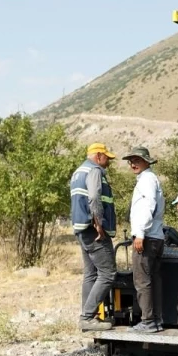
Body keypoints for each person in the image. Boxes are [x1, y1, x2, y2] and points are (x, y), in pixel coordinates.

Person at [70, 142, 117, 332]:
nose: (109, 162)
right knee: (108, 273)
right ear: (98, 156)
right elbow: (94, 197)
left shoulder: (77, 172)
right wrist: (98, 223)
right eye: (107, 157)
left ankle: (87, 316)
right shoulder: (94, 171)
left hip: (81, 229)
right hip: (94, 230)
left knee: (90, 274)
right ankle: (88, 317)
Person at [124, 146, 165, 333]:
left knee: (142, 281)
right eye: (131, 161)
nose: (133, 164)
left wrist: (140, 233)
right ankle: (156, 320)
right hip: (155, 236)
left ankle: (148, 322)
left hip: (146, 237)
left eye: (137, 160)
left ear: (147, 161)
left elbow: (148, 206)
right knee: (153, 280)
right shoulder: (150, 179)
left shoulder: (147, 180)